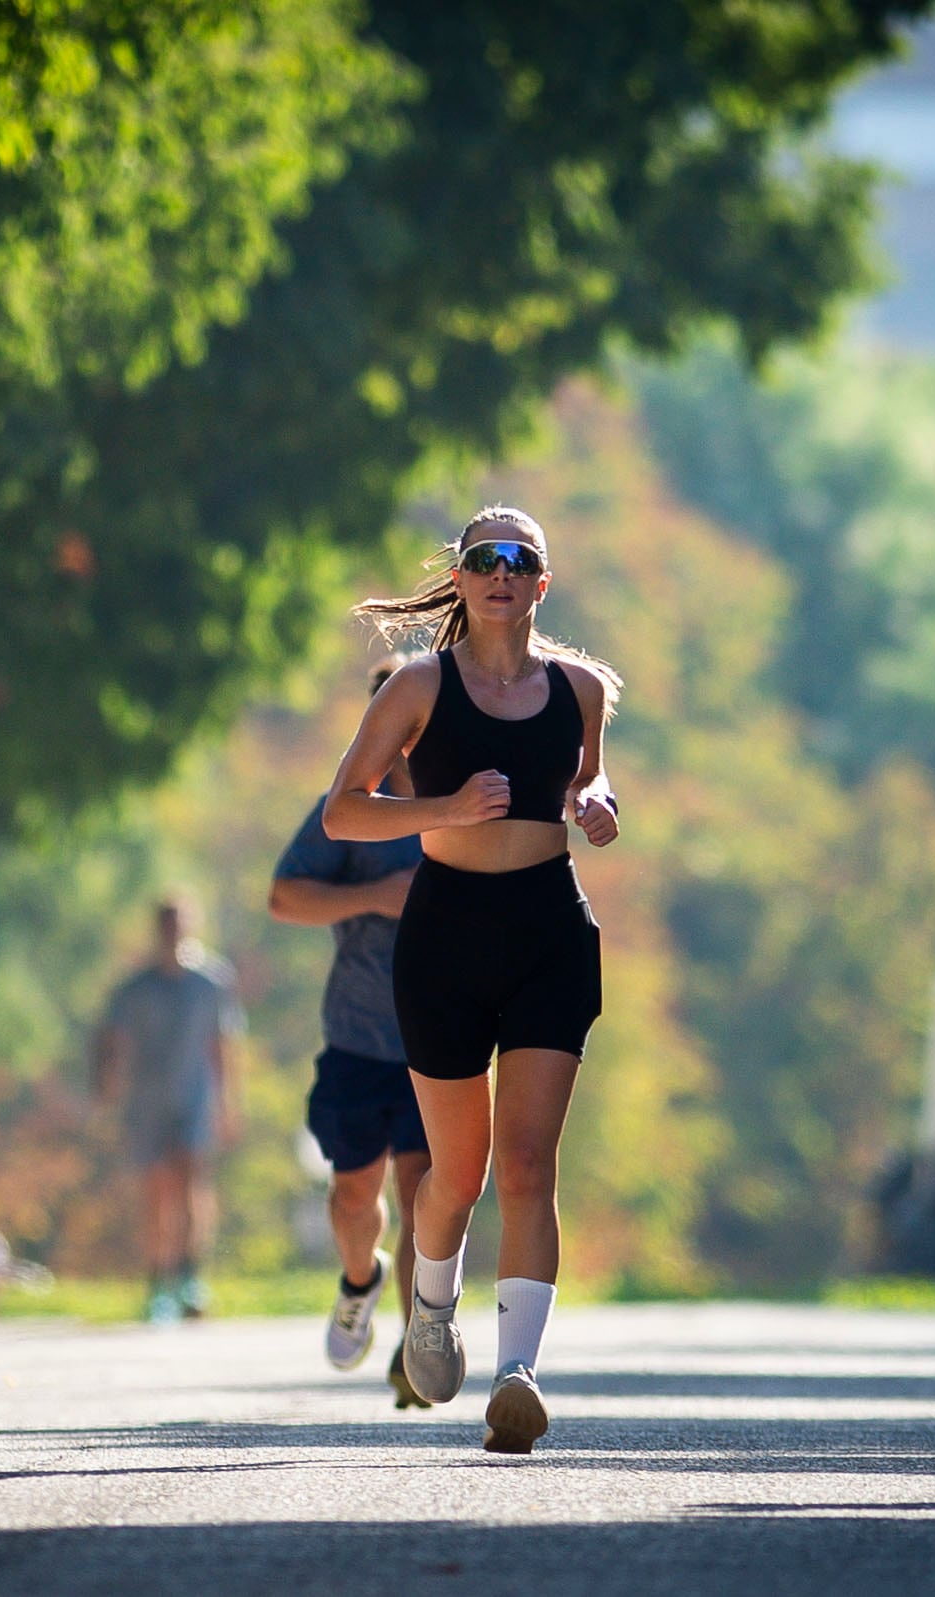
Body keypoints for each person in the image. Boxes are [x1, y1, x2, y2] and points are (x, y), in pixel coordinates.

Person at [322, 506, 619, 1454]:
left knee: (530, 1164)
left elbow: (586, 782)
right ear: (460, 576)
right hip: (446, 935)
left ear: (542, 582)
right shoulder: (419, 686)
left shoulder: (580, 689)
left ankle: (517, 1374)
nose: (501, 572)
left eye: (519, 560)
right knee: (459, 1171)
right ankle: (431, 1307)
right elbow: (342, 813)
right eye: (484, 558)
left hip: (549, 930)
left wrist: (598, 803)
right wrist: (445, 808)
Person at [269, 659, 432, 1406]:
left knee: (426, 1195)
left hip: (441, 1039)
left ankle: (419, 1343)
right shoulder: (348, 806)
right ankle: (360, 1280)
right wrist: (375, 895)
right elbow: (284, 897)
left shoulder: (466, 801)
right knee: (353, 1194)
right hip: (359, 1037)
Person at [93, 897, 246, 1324]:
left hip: (194, 1098)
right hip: (147, 1101)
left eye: (178, 924)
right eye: (165, 924)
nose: (172, 932)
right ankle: (158, 1282)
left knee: (192, 1185)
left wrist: (228, 1102)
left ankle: (190, 1278)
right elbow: (114, 1041)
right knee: (157, 1190)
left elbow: (223, 1044)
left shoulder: (211, 982)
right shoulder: (136, 987)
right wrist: (109, 1090)